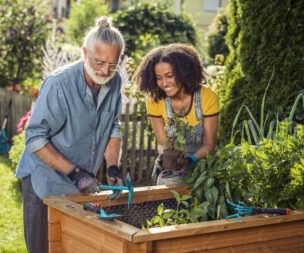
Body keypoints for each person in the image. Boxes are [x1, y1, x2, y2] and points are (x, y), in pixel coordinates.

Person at [15, 16, 125, 253]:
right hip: (44, 181)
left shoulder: (114, 82)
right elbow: (35, 138)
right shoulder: (59, 85)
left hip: (78, 186)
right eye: (98, 62)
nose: (105, 71)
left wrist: (113, 167)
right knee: (43, 248)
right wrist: (74, 172)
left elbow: (112, 126)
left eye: (112, 65)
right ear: (85, 53)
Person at [135, 43, 219, 185]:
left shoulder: (207, 97)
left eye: (169, 76)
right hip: (173, 165)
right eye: (159, 78)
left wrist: (190, 159)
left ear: (183, 73)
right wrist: (168, 157)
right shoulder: (154, 101)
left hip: (204, 166)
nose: (164, 83)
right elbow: (163, 142)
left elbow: (209, 144)